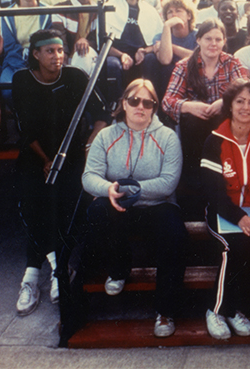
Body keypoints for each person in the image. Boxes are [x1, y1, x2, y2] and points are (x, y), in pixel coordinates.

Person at [11, 29, 109, 316]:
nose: (57, 56)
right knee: (32, 203)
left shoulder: (76, 76)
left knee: (65, 205)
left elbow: (102, 115)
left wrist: (89, 146)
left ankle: (35, 272)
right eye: (50, 51)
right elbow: (25, 128)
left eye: (60, 50)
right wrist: (46, 160)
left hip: (73, 154)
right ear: (36, 54)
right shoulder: (21, 80)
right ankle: (54, 267)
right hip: (36, 154)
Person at [82, 79, 186, 337]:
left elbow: (168, 183)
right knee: (96, 211)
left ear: (154, 108)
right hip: (118, 204)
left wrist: (128, 189)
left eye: (148, 103)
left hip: (157, 206)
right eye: (134, 100)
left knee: (175, 233)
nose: (141, 106)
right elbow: (89, 176)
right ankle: (118, 270)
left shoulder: (168, 137)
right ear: (124, 104)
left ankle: (165, 311)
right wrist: (108, 189)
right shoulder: (106, 135)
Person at [201, 79, 250, 340]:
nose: (245, 107)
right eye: (240, 101)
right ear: (230, 105)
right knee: (233, 247)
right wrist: (239, 217)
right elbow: (212, 192)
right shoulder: (214, 141)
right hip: (223, 212)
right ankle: (215, 310)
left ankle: (236, 309)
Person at [162, 19, 250, 215]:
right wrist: (189, 106)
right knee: (191, 120)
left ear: (224, 41)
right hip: (195, 130)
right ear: (198, 39)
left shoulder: (232, 63)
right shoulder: (185, 65)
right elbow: (167, 101)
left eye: (218, 39)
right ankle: (194, 188)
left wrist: (225, 101)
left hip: (223, 123)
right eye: (208, 38)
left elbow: (246, 91)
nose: (213, 44)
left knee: (224, 118)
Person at [0, 0, 52, 105]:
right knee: (7, 90)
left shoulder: (47, 12)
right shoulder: (7, 15)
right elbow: (10, 46)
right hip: (14, 62)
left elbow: (47, 43)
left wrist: (35, 67)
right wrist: (23, 71)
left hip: (41, 62)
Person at [105, 0, 164, 83]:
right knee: (112, 64)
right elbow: (103, 44)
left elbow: (158, 42)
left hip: (141, 56)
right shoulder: (109, 8)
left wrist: (144, 51)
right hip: (117, 56)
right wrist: (122, 55)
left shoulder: (151, 11)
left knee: (151, 60)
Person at [143, 0, 198, 104]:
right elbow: (165, 60)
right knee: (152, 60)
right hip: (168, 79)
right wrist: (167, 26)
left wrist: (172, 47)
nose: (174, 15)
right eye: (170, 12)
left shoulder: (198, 35)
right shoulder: (160, 36)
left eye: (178, 11)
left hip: (193, 76)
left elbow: (200, 57)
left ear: (189, 15)